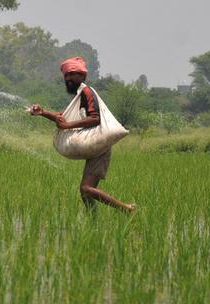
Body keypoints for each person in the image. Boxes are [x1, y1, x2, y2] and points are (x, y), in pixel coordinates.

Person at [29, 57, 136, 213]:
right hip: (95, 148)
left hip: (100, 150)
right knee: (85, 193)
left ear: (82, 75)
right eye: (66, 76)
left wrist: (67, 125)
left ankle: (126, 209)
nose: (68, 78)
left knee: (86, 189)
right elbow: (64, 118)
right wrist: (43, 112)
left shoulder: (87, 92)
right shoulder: (79, 96)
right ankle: (94, 223)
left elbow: (95, 118)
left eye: (72, 74)